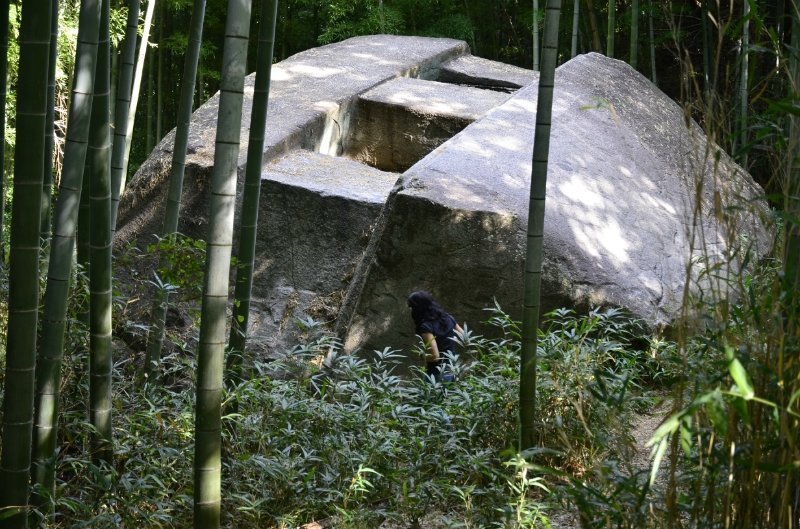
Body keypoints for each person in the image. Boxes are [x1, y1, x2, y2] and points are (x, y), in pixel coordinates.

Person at [407, 290, 464, 382]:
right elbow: (465, 337)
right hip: (454, 369)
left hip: (437, 374)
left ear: (417, 308)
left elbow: (435, 356)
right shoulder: (448, 317)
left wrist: (422, 356)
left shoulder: (425, 327)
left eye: (411, 307)